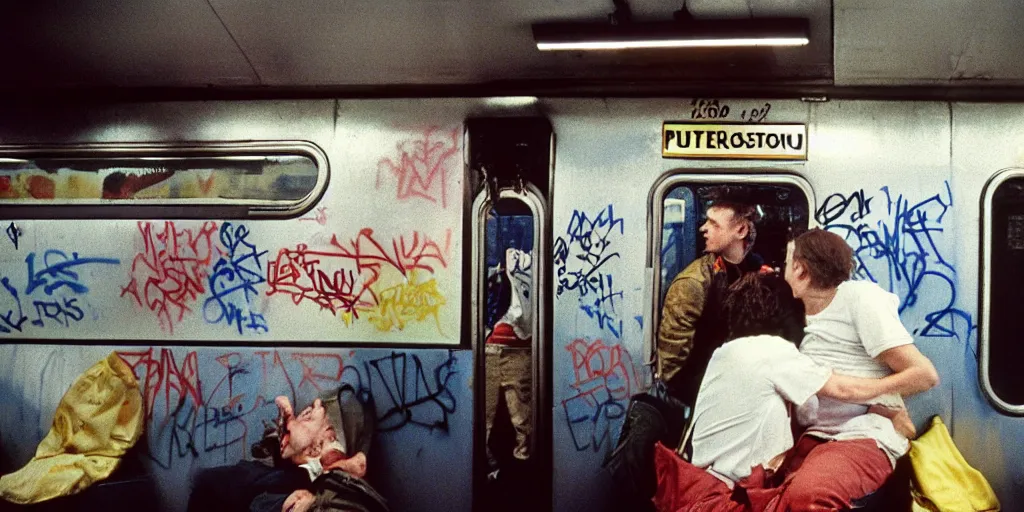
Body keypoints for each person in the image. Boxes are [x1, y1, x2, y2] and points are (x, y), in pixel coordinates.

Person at [652, 272, 920, 512]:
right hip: (729, 499)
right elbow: (838, 390)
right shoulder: (772, 350)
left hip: (693, 492)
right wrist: (891, 393)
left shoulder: (723, 354)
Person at [770, 228, 939, 509]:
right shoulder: (798, 312)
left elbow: (924, 375)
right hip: (816, 436)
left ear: (800, 269)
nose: (782, 268)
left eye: (787, 261)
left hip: (861, 433)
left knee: (806, 497)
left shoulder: (859, 299)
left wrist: (865, 394)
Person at [657, 186, 776, 407]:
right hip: (704, 395)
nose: (703, 228)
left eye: (714, 224)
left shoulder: (763, 276)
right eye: (706, 221)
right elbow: (672, 369)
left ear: (740, 231)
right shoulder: (692, 284)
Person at [484, 248, 534, 479]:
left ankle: (519, 468)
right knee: (486, 416)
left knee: (522, 417)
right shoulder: (492, 276)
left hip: (517, 348)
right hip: (493, 349)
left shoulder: (528, 269)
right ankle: (493, 466)